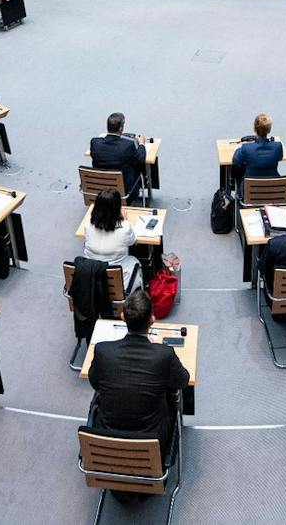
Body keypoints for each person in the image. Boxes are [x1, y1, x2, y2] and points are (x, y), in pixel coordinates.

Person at [86, 289, 189, 465]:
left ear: (122, 317)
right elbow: (183, 380)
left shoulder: (103, 351)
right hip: (152, 441)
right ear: (152, 320)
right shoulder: (164, 355)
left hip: (106, 439)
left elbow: (95, 383)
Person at [81, 188, 140, 290]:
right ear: (117, 208)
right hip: (118, 282)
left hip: (91, 278)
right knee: (134, 261)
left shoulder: (87, 225)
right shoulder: (125, 228)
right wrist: (125, 221)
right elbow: (132, 241)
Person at [89, 112, 149, 199]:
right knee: (138, 166)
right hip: (123, 194)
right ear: (121, 128)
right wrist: (141, 144)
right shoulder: (127, 145)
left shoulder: (95, 143)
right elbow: (140, 160)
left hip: (100, 191)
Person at [231, 113, 284, 183]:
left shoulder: (246, 148)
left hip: (251, 191)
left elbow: (235, 160)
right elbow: (280, 157)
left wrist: (240, 149)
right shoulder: (277, 147)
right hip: (273, 189)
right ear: (269, 130)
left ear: (255, 129)